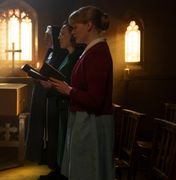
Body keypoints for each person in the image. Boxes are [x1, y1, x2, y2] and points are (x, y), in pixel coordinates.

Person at [50, 6, 114, 180]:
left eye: (75, 27)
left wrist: (68, 90)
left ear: (89, 25)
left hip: (92, 121)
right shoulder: (89, 51)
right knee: (81, 170)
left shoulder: (98, 52)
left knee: (89, 172)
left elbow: (95, 100)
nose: (73, 32)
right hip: (83, 118)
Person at [38, 22, 85, 180]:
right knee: (61, 141)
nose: (59, 37)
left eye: (62, 33)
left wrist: (52, 85)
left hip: (69, 105)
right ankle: (60, 170)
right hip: (62, 104)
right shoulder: (67, 56)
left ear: (72, 35)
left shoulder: (76, 57)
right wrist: (50, 84)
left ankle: (64, 173)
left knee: (66, 141)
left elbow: (72, 84)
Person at [26, 25, 67, 170]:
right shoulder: (50, 52)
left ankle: (55, 165)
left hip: (54, 99)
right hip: (45, 97)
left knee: (54, 134)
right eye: (45, 35)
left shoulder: (61, 54)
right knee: (47, 133)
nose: (45, 38)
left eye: (48, 35)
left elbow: (59, 77)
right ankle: (48, 162)